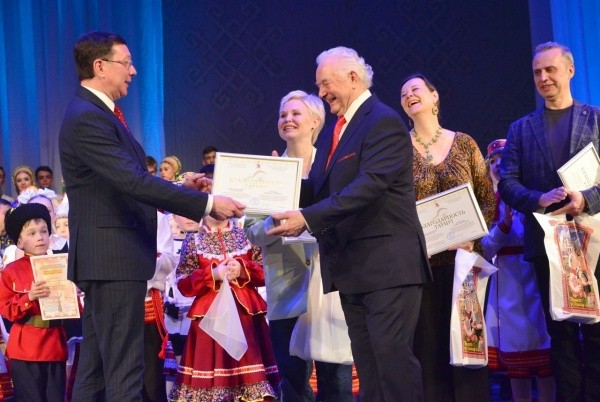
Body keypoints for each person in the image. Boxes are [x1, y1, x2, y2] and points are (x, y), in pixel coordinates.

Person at [58, 31, 244, 401]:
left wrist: (179, 185)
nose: (134, 71)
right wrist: (207, 205)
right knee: (124, 371)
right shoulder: (88, 117)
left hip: (108, 260)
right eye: (126, 63)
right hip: (113, 260)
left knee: (96, 371)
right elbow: (132, 181)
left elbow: (123, 182)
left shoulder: (95, 113)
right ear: (100, 66)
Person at [267, 47, 431, 402]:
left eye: (326, 84)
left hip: (387, 268)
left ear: (353, 78)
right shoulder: (337, 130)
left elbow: (368, 186)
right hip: (353, 270)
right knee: (369, 372)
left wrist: (307, 218)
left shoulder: (383, 121)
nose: (321, 92)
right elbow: (320, 188)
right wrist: (267, 187)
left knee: (393, 369)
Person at [498, 41, 600, 401]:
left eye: (550, 69)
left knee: (598, 332)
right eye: (537, 72)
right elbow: (507, 182)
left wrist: (586, 198)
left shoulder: (596, 118)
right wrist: (538, 200)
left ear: (569, 70)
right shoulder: (521, 128)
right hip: (547, 245)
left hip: (594, 243)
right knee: (561, 334)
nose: (543, 77)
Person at [246, 90, 353, 401]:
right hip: (286, 286)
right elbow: (252, 233)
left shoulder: (334, 165)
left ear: (315, 121)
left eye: (295, 114)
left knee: (336, 380)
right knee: (292, 380)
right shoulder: (267, 172)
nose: (287, 119)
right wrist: (274, 221)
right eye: (283, 115)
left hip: (330, 284)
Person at [400, 73, 495, 402]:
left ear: (434, 96)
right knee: (429, 351)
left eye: (415, 89)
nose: (409, 95)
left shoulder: (465, 143)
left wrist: (471, 236)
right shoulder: (399, 150)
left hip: (464, 264)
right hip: (422, 267)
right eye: (403, 94)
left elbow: (487, 199)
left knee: (468, 346)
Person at [168, 212, 280, 401]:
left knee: (251, 375)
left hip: (246, 318)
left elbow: (267, 271)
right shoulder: (194, 239)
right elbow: (183, 283)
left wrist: (243, 270)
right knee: (213, 373)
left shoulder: (246, 233)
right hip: (210, 322)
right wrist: (213, 274)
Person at [482, 139, 555, 402]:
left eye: (503, 158)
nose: (498, 164)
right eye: (493, 161)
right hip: (507, 283)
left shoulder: (530, 194)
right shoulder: (489, 201)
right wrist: (502, 227)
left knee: (546, 353)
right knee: (516, 359)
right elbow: (485, 248)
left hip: (535, 274)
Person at [0, 203, 68, 401]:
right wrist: (28, 297)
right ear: (19, 242)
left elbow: (74, 310)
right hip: (26, 349)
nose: (40, 237)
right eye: (32, 233)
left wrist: (75, 292)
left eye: (44, 231)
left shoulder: (61, 265)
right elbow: (6, 310)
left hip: (54, 345)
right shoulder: (11, 271)